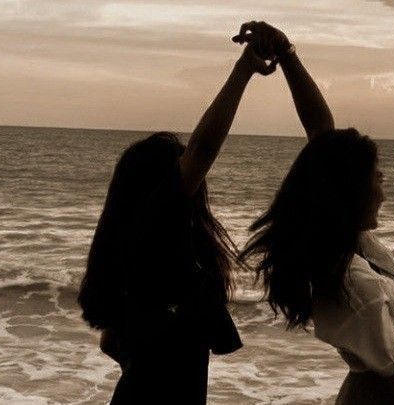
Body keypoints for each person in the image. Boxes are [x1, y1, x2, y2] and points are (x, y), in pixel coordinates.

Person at [236, 22, 394, 404]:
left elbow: (322, 136)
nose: (384, 183)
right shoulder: (354, 285)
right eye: (377, 177)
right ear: (351, 194)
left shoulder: (350, 247)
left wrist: (287, 54)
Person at [77, 43, 277, 403]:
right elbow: (203, 149)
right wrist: (243, 69)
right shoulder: (151, 235)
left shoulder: (136, 249)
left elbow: (110, 343)